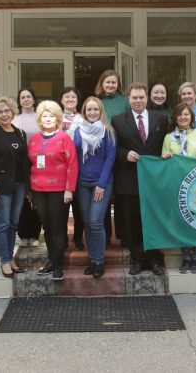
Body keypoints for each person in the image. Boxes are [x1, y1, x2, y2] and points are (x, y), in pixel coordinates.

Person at [111, 82, 168, 276]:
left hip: (154, 180)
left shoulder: (160, 118)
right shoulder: (118, 120)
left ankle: (154, 259)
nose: (138, 101)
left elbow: (165, 145)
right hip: (129, 179)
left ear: (147, 98)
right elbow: (113, 149)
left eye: (141, 97)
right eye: (134, 98)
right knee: (133, 222)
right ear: (129, 99)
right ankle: (137, 260)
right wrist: (124, 154)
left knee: (153, 220)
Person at [28, 101, 78, 281]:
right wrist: (29, 190)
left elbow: (73, 165)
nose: (48, 119)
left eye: (51, 116)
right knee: (47, 227)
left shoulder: (64, 138)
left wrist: (69, 189)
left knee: (57, 228)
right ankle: (51, 259)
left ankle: (58, 265)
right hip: (38, 190)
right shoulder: (34, 139)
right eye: (44, 116)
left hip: (59, 190)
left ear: (57, 118)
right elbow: (30, 164)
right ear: (40, 119)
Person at [162, 103, 196, 274]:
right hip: (177, 185)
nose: (183, 117)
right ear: (175, 118)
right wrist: (166, 156)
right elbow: (164, 162)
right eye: (180, 115)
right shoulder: (169, 137)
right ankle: (185, 257)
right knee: (181, 222)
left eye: (186, 114)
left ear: (191, 117)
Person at [0, 96, 30, 278]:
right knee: (2, 224)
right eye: (0, 112)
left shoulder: (20, 133)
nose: (4, 114)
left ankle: (10, 258)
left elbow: (24, 161)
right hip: (1, 186)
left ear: (13, 112)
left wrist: (28, 187)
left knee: (13, 223)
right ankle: (4, 261)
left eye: (7, 111)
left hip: (19, 185)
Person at [73, 97, 116, 278]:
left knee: (96, 221)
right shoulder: (77, 131)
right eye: (89, 109)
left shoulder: (108, 131)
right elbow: (74, 158)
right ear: (84, 111)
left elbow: (110, 159)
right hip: (82, 183)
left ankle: (99, 260)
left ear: (100, 111)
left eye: (95, 110)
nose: (92, 113)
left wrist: (101, 184)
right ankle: (92, 258)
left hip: (101, 183)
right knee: (88, 223)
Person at [95, 70, 129, 246]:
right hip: (102, 154)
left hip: (121, 152)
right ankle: (105, 236)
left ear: (118, 85)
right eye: (107, 82)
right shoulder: (97, 102)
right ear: (102, 84)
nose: (110, 85)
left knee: (121, 196)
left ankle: (123, 235)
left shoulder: (125, 101)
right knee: (104, 197)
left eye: (113, 83)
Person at [12, 87, 42, 247]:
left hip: (39, 161)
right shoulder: (14, 118)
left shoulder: (41, 117)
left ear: (34, 99)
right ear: (19, 100)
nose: (26, 99)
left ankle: (35, 234)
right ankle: (23, 234)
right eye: (22, 97)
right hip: (20, 162)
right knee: (22, 197)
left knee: (36, 198)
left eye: (28, 96)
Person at [59, 86, 84, 250]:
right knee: (61, 208)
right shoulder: (54, 118)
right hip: (59, 168)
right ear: (61, 100)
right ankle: (61, 239)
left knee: (79, 207)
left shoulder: (83, 118)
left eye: (73, 97)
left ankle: (78, 238)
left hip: (79, 166)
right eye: (66, 97)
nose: (69, 99)